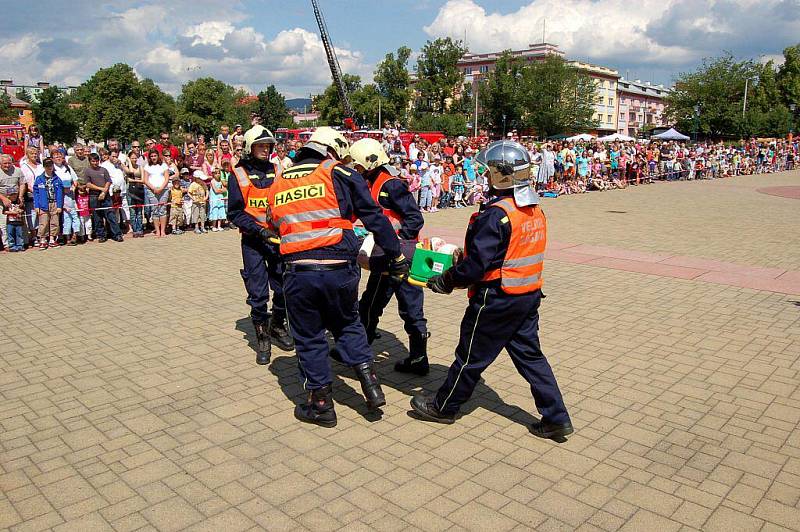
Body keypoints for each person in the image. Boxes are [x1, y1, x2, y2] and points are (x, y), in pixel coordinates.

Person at [410, 140, 573, 441]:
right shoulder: (532, 208)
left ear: (502, 175)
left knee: (470, 357)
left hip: (496, 299)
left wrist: (445, 280)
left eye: (488, 172)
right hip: (526, 295)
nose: (484, 176)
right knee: (531, 358)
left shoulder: (496, 214)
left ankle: (444, 407)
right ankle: (556, 418)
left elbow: (478, 266)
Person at [265, 127, 408, 427]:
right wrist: (395, 256)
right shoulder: (339, 173)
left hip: (298, 272)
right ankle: (371, 385)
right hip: (339, 269)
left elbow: (274, 224)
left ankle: (321, 406)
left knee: (309, 336)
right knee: (348, 323)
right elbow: (374, 217)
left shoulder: (279, 183)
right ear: (331, 151)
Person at [349, 138, 429, 374]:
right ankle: (362, 350)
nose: (356, 169)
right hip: (386, 254)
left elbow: (414, 218)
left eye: (358, 165)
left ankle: (417, 359)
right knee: (372, 304)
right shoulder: (371, 182)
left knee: (407, 307)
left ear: (368, 163)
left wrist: (398, 245)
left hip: (399, 256)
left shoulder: (391, 185)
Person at [226, 126, 293, 365]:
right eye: (261, 145)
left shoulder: (278, 170)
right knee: (258, 292)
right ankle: (262, 336)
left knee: (283, 286)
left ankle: (277, 325)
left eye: (268, 146)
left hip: (277, 240)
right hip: (254, 241)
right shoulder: (239, 174)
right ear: (249, 147)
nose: (266, 150)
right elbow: (234, 212)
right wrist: (259, 229)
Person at [85, 153, 123, 243]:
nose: (95, 163)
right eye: (93, 161)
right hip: (94, 196)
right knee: (97, 217)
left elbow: (108, 181)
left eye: (97, 161)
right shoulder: (87, 171)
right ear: (90, 161)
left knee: (110, 215)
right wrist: (101, 189)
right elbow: (88, 184)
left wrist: (104, 191)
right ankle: (101, 235)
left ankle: (117, 234)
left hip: (105, 195)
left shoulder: (103, 170)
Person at [32, 158, 64, 249]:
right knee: (44, 222)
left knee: (55, 221)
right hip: (43, 203)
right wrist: (37, 206)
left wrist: (59, 205)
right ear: (44, 167)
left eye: (50, 165)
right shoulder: (39, 179)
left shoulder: (57, 179)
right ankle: (42, 239)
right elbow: (36, 193)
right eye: (47, 166)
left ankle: (52, 239)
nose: (49, 167)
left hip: (54, 203)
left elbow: (60, 193)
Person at [52, 150, 79, 246]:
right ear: (52, 159)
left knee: (72, 216)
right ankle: (60, 237)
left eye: (60, 156)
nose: (58, 158)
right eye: (56, 157)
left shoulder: (67, 167)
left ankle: (73, 236)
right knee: (59, 218)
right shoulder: (52, 169)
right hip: (57, 196)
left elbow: (75, 180)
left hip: (69, 196)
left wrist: (73, 187)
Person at [0, 154, 24, 251]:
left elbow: (22, 183)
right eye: (5, 163)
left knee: (19, 224)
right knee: (3, 224)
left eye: (9, 163)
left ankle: (21, 244)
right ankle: (7, 245)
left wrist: (20, 196)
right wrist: (3, 199)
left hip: (15, 201)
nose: (7, 165)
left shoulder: (17, 170)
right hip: (2, 201)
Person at [143, 150, 169, 238]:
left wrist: (161, 188)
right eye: (152, 156)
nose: (153, 157)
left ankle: (163, 231)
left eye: (155, 155)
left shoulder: (163, 165)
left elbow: (166, 178)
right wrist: (153, 188)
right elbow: (145, 180)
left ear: (158, 156)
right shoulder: (147, 166)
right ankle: (157, 231)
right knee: (155, 210)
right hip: (151, 190)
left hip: (163, 190)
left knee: (162, 210)